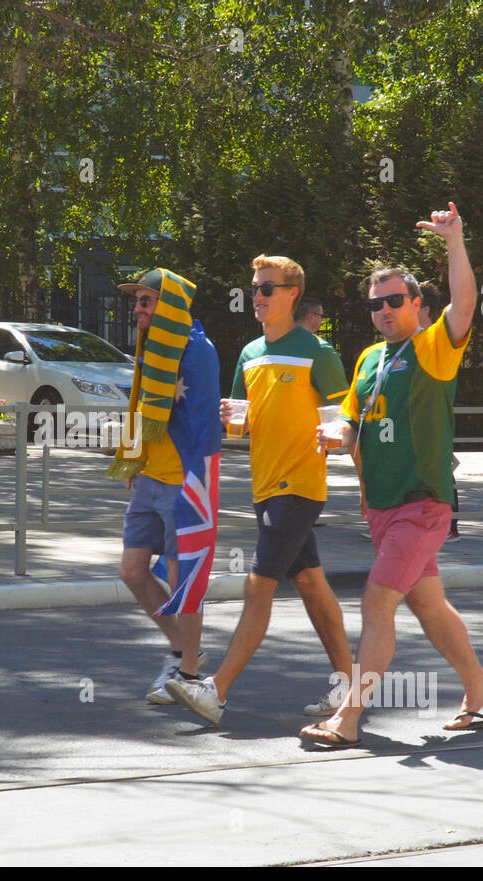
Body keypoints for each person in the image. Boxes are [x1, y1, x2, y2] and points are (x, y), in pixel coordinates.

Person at [302, 202, 483, 749]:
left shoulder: (432, 348)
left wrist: (454, 240)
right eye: (376, 303)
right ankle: (479, 685)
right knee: (428, 604)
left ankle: (348, 717)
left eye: (395, 300)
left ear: (417, 304)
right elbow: (352, 420)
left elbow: (465, 303)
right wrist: (339, 434)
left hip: (421, 503)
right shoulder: (370, 357)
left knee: (376, 602)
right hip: (382, 506)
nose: (385, 310)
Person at [165, 254, 353, 725]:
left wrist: (350, 457)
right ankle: (350, 684)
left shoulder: (318, 353)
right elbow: (240, 425)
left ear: (292, 294)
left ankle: (216, 690)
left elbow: (345, 422)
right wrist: (234, 419)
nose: (258, 297)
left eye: (267, 288)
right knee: (310, 582)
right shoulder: (249, 353)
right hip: (264, 485)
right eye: (254, 288)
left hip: (299, 485)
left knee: (258, 585)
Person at [110, 269, 222, 703]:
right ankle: (180, 649)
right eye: (137, 301)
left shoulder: (197, 350)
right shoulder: (150, 345)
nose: (137, 309)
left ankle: (188, 672)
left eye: (146, 301)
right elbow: (141, 403)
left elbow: (203, 420)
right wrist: (134, 459)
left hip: (184, 483)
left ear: (169, 304)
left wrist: (199, 482)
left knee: (182, 579)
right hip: (149, 478)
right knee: (132, 572)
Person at [417, 282, 461, 541]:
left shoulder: (437, 338)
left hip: (432, 420)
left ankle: (450, 526)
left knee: (440, 470)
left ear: (424, 308)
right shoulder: (406, 339)